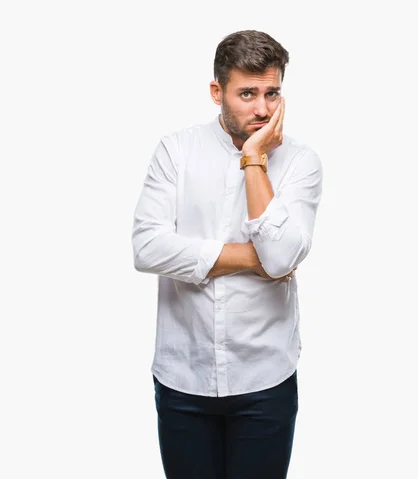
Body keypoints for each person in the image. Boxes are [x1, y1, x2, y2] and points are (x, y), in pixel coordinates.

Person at [131, 29, 323, 479]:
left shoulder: (300, 162)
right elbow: (147, 247)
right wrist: (250, 258)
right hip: (184, 375)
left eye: (272, 93)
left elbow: (279, 259)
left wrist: (254, 158)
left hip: (264, 378)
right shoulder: (176, 151)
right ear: (217, 92)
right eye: (247, 94)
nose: (262, 109)